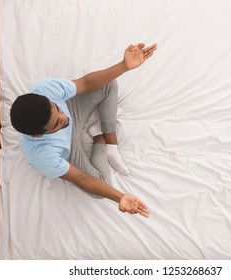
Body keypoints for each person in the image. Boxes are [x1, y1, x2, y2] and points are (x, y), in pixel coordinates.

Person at [10, 43, 157, 218]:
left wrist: (123, 66)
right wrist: (120, 197)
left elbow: (85, 83)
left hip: (76, 111)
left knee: (109, 83)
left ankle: (111, 144)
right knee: (101, 188)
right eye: (57, 124)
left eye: (57, 108)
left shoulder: (44, 89)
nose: (64, 118)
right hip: (69, 149)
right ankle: (98, 137)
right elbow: (81, 178)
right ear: (39, 134)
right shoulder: (43, 156)